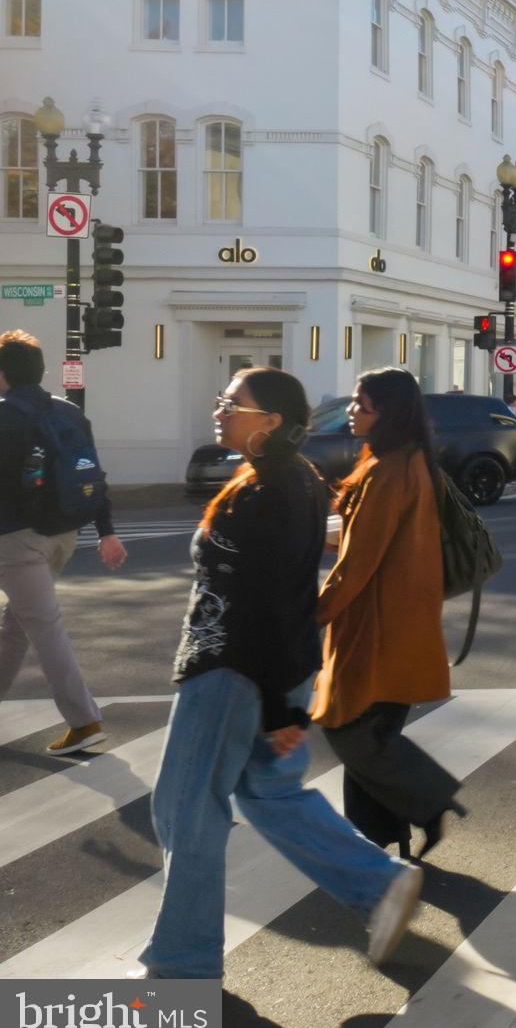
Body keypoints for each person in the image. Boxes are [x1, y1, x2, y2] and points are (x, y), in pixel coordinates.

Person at [138, 368, 422, 978]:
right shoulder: (276, 479)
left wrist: (279, 708)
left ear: (270, 421)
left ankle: (183, 965)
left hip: (233, 671)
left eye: (232, 403)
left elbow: (274, 599)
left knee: (185, 809)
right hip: (253, 668)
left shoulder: (275, 490)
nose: (220, 409)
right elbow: (285, 593)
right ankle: (379, 883)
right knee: (270, 794)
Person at [316, 369, 466, 859]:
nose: (353, 412)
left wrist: (312, 613)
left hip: (377, 625)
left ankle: (427, 802)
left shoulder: (387, 470)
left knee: (350, 728)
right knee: (370, 732)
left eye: (363, 404)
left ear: (389, 412)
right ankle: (378, 839)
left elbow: (359, 561)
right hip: (399, 621)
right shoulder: (408, 461)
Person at [0, 330, 128, 755]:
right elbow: (92, 472)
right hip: (63, 534)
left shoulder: (6, 416)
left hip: (18, 541)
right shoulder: (68, 411)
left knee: (44, 627)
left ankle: (85, 720)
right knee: (17, 624)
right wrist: (105, 530)